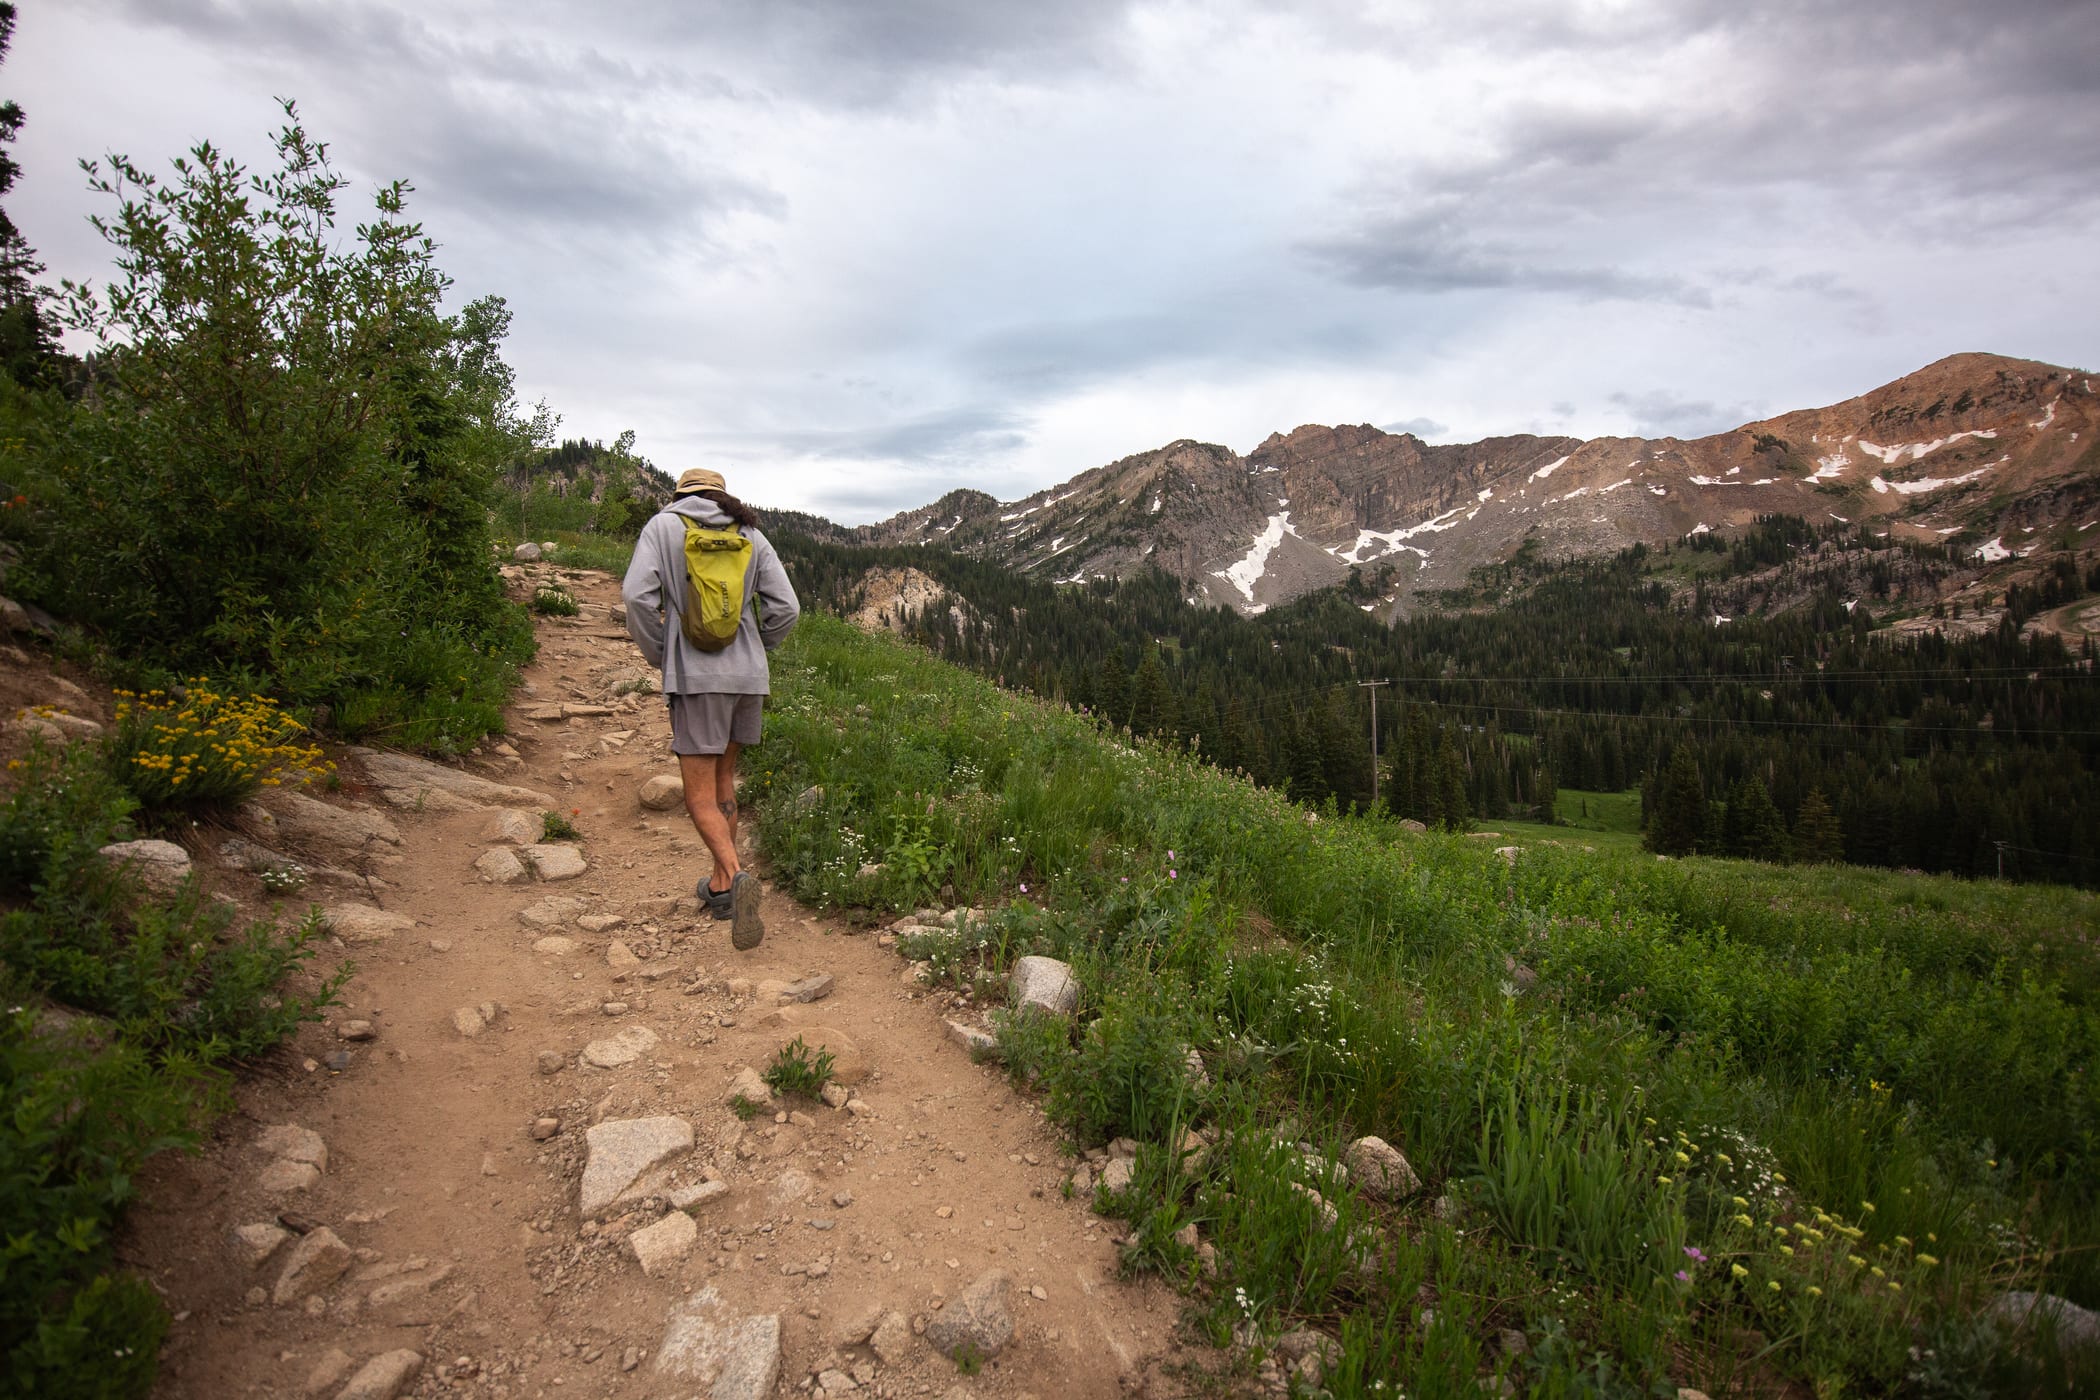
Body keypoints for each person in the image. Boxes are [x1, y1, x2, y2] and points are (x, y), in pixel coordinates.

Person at [621, 468, 800, 950]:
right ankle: (721, 887)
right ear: (722, 495)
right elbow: (787, 608)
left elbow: (636, 598)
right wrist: (757, 650)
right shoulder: (749, 532)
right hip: (746, 679)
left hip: (696, 680)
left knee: (698, 795)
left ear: (681, 494)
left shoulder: (663, 527)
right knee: (724, 783)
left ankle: (738, 877)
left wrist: (663, 653)